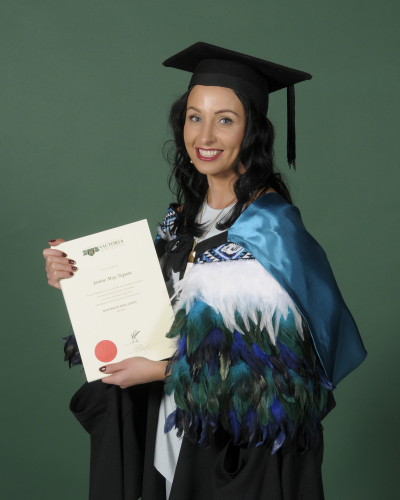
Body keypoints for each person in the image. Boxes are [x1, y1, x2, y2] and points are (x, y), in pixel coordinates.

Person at [43, 43, 367, 500]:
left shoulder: (269, 230)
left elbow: (272, 378)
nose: (205, 135)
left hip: (239, 457)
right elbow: (147, 314)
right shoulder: (183, 219)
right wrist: (78, 276)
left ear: (252, 130)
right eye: (195, 117)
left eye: (225, 120)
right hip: (175, 432)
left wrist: (160, 372)